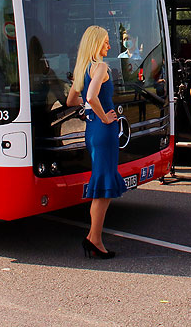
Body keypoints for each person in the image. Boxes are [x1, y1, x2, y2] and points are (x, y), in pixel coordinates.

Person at [66, 25, 126, 259]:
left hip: (91, 130)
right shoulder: (101, 67)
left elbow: (73, 99)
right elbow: (91, 96)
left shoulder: (82, 69)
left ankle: (94, 238)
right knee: (103, 187)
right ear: (95, 44)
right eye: (105, 42)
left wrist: (89, 110)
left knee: (102, 184)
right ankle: (95, 240)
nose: (109, 46)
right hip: (104, 130)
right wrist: (104, 116)